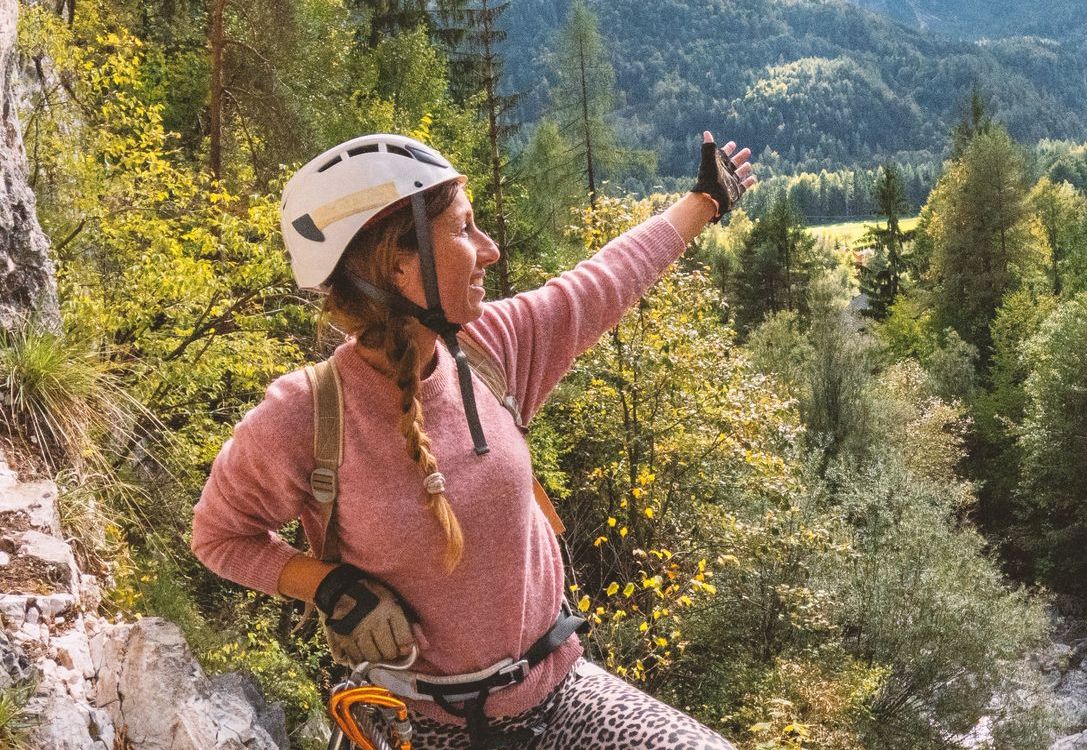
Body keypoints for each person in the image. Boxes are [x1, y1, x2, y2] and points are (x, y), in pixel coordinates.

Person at [190, 130, 755, 749]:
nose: (489, 250)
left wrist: (704, 202)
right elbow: (219, 536)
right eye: (464, 229)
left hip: (559, 695)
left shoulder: (490, 351)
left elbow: (603, 282)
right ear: (398, 265)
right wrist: (327, 585)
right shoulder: (305, 414)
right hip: (414, 724)